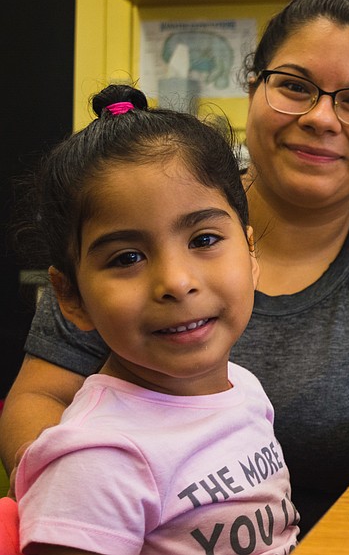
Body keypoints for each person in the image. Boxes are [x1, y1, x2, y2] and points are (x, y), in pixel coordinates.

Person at [0, 0, 349, 535]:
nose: (322, 118)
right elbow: (37, 399)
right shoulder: (126, 239)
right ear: (253, 89)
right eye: (295, 86)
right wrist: (93, 506)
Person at [11, 85, 299, 554]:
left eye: (204, 240)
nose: (176, 281)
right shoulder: (95, 463)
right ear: (71, 297)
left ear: (250, 252)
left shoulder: (243, 389)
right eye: (127, 257)